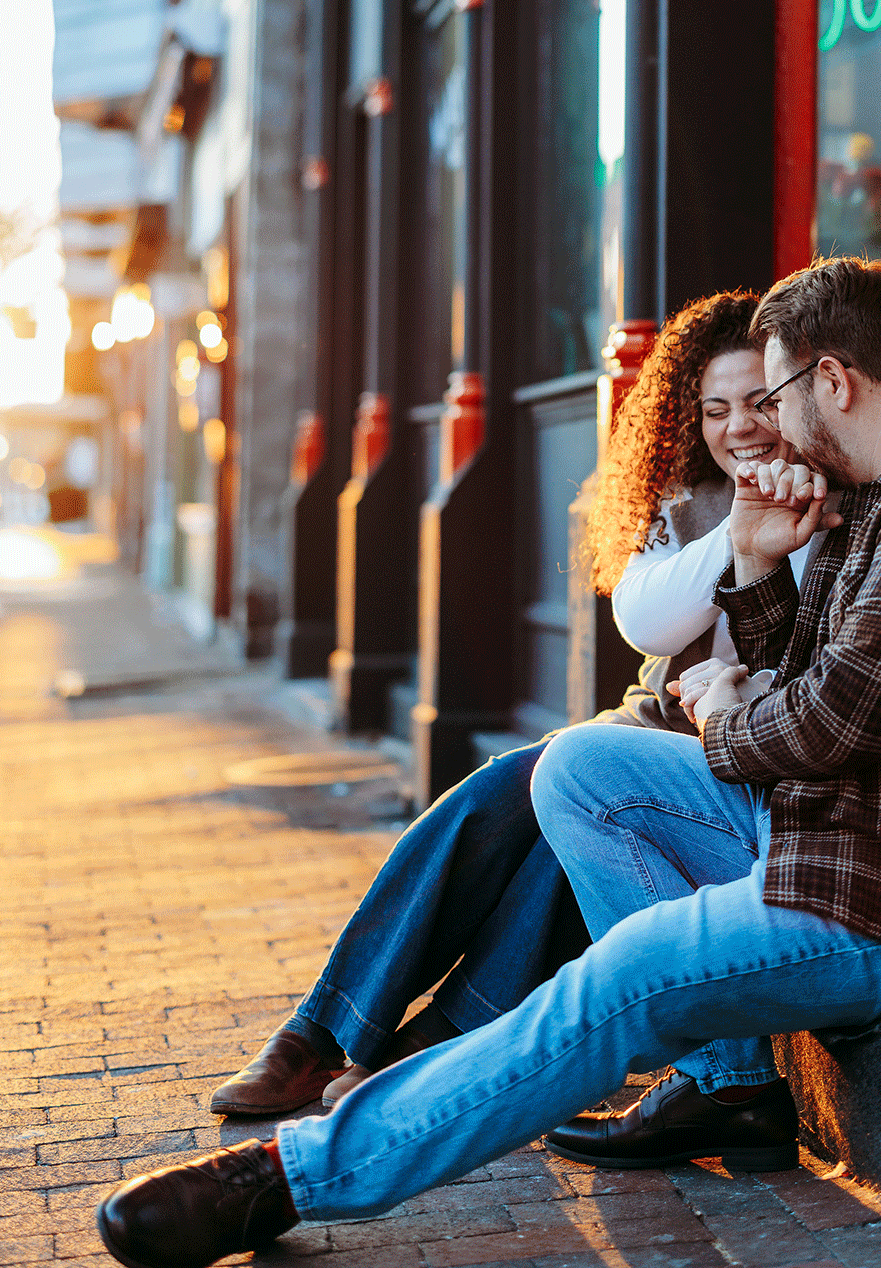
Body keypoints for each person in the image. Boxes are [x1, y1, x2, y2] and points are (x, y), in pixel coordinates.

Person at [95, 258, 881, 1268]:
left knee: (622, 977)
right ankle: (726, 1083)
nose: (773, 429)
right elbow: (801, 681)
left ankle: (296, 1175)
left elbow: (828, 721)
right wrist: (754, 566)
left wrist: (723, 722)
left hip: (879, 901)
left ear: (832, 381)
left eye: (780, 395)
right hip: (825, 830)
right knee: (575, 766)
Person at [207, 290, 795, 1131]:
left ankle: (405, 1038)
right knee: (507, 789)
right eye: (715, 408)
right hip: (654, 730)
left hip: (726, 754)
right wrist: (739, 529)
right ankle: (338, 1034)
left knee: (562, 807)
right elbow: (647, 619)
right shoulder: (686, 500)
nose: (740, 427)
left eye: (760, 403)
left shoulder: (824, 496)